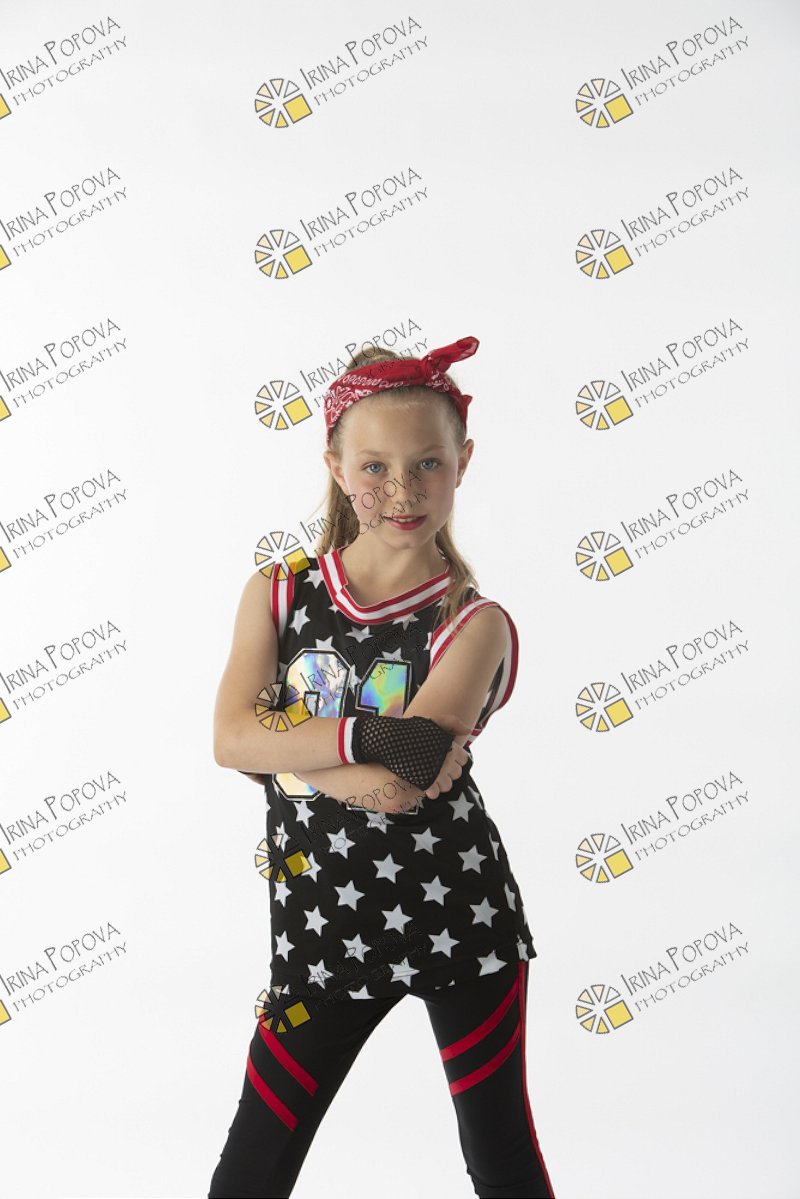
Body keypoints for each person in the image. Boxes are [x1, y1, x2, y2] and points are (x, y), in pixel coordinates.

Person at [208, 336, 556, 1198]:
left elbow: (407, 777)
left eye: (428, 462)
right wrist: (370, 738)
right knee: (252, 1170)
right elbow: (230, 739)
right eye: (374, 466)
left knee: (502, 1160)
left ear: (463, 462)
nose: (401, 489)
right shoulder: (279, 591)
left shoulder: (473, 623)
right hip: (320, 936)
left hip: (461, 921)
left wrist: (287, 744)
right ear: (335, 465)